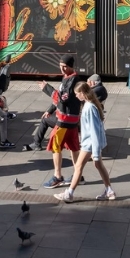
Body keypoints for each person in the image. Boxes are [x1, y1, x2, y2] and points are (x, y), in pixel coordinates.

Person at [54, 83, 116, 202]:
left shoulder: (89, 108)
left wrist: (96, 152)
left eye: (77, 94)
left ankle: (69, 194)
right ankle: (109, 191)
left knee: (78, 166)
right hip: (91, 143)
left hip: (90, 144)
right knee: (98, 165)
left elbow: (94, 130)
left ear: (83, 93)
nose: (76, 97)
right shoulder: (91, 105)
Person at [39, 55, 86, 189]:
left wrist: (46, 88)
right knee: (73, 146)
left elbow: (63, 98)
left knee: (55, 144)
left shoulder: (72, 80)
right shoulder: (67, 78)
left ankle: (57, 177)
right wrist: (50, 109)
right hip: (71, 119)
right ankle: (79, 175)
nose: (62, 69)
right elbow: (59, 99)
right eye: (60, 66)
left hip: (65, 120)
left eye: (65, 66)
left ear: (71, 66)